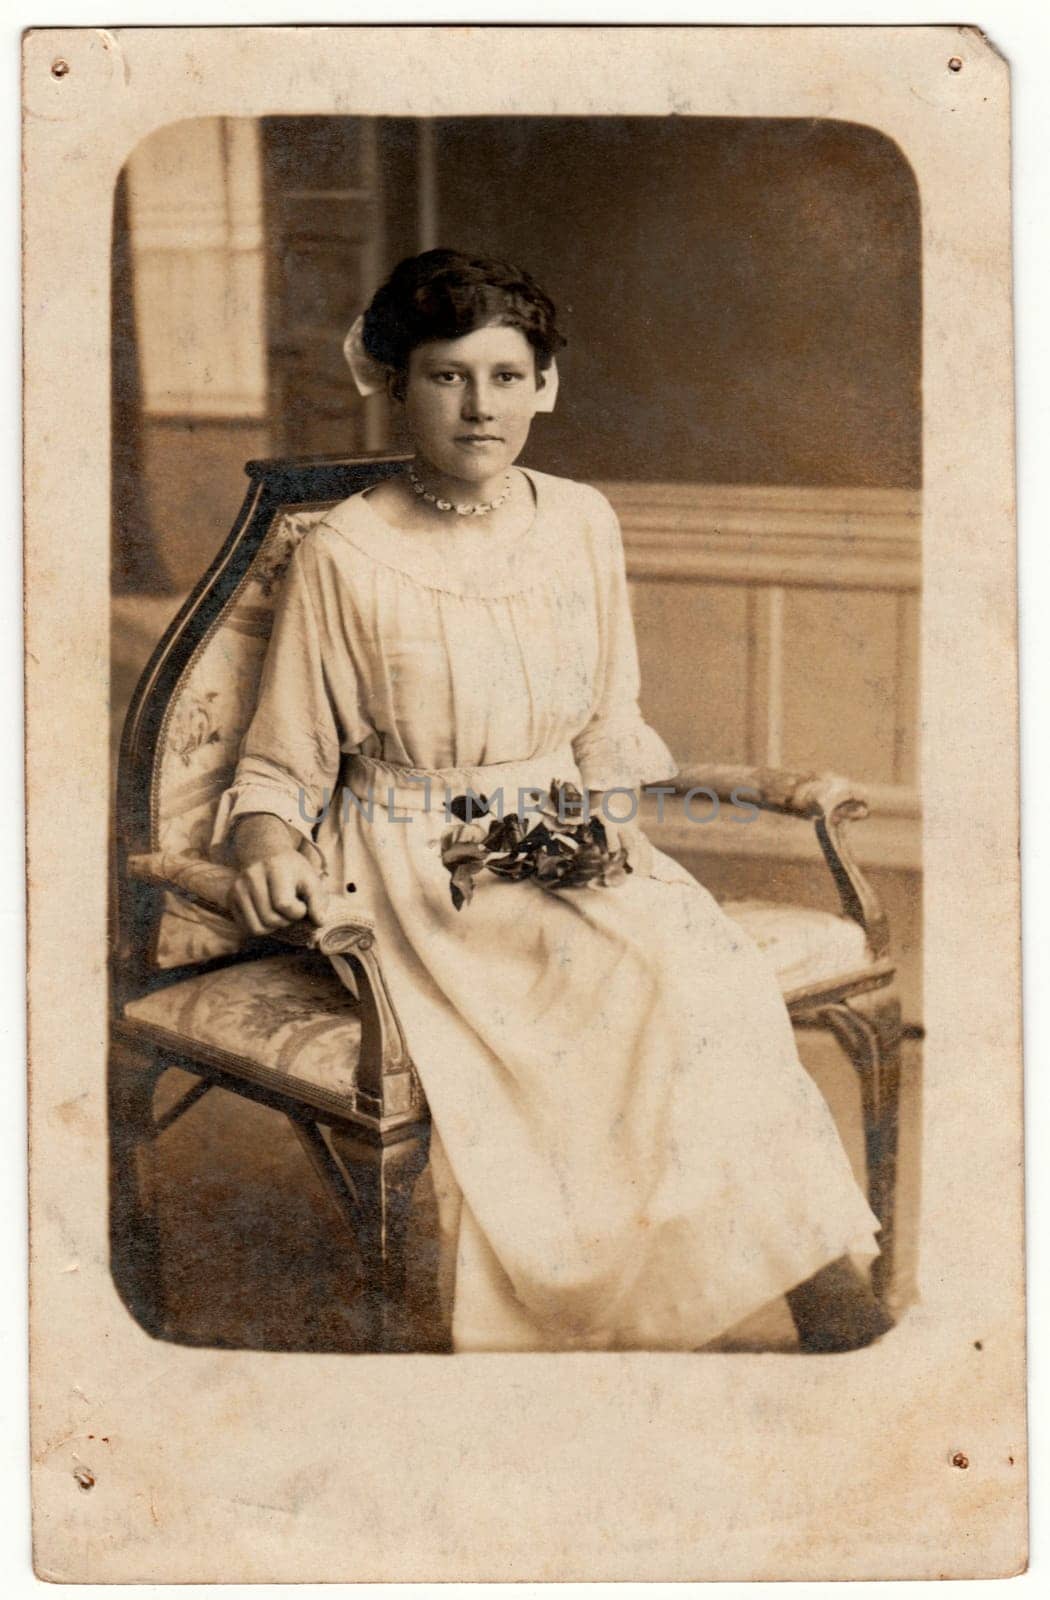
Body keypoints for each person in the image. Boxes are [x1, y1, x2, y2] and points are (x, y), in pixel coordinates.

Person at [213, 248, 890, 1354]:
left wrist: (635, 839)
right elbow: (283, 763)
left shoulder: (581, 519)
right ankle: (773, 1296)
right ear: (396, 382)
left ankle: (810, 1280)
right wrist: (262, 841)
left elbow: (606, 730)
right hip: (416, 860)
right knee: (630, 984)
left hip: (568, 828)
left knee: (702, 970)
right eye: (446, 376)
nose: (481, 406)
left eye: (506, 375)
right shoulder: (343, 552)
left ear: (547, 385)